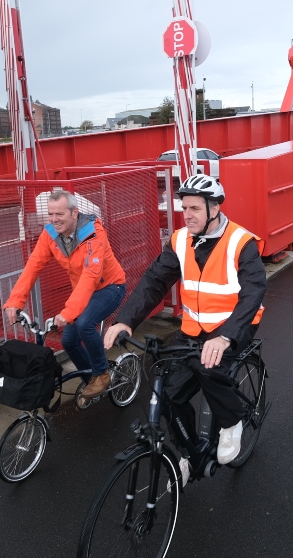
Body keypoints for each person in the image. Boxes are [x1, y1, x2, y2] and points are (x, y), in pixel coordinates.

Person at [103, 175, 266, 465]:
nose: (186, 215)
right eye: (184, 208)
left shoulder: (241, 242)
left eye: (194, 209)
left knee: (209, 366)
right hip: (193, 329)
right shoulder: (179, 241)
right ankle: (191, 453)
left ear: (213, 210)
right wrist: (125, 320)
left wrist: (226, 335)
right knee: (165, 389)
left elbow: (253, 293)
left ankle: (232, 422)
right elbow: (154, 282)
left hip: (233, 326)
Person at [3, 190, 126, 399]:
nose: (54, 219)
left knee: (84, 324)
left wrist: (68, 312)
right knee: (69, 341)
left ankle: (102, 373)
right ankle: (92, 381)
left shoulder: (93, 234)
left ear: (75, 212)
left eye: (59, 214)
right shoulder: (50, 234)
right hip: (83, 292)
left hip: (109, 287)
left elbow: (90, 276)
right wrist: (15, 300)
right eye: (50, 214)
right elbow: (33, 266)